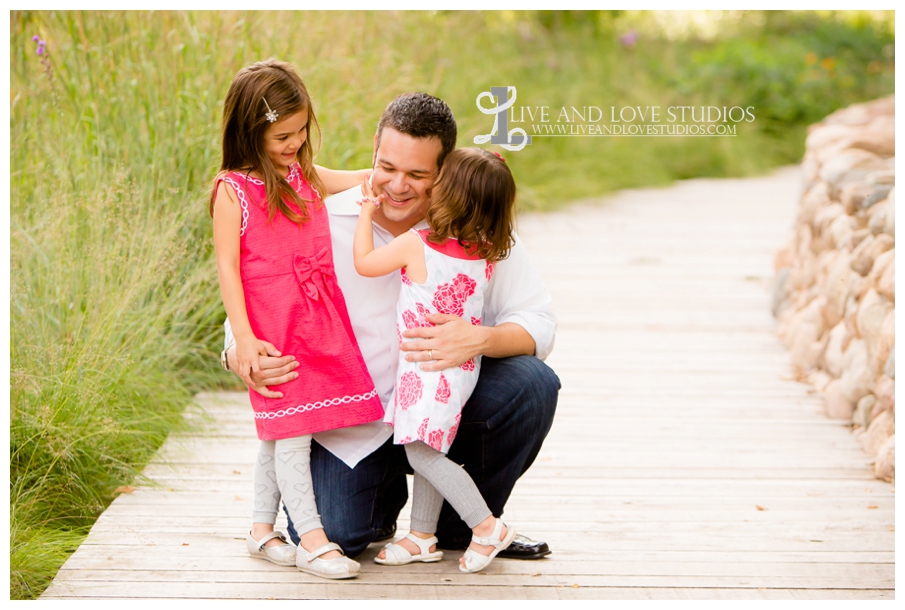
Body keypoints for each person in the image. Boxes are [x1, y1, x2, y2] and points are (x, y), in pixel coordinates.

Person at [223, 92, 559, 561]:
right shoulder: (320, 216)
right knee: (341, 533)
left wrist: (481, 338)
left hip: (438, 405)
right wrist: (239, 353)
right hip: (351, 423)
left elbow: (538, 323)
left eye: (418, 175)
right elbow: (259, 301)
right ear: (373, 151)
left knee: (533, 383)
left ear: (445, 174)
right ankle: (380, 511)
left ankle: (466, 525)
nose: (398, 186)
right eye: (387, 167)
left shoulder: (474, 231)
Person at [210, 59, 385, 579]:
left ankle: (262, 529)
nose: (294, 142)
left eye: (302, 129)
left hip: (314, 321)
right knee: (293, 431)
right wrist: (243, 338)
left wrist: (395, 179)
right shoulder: (233, 189)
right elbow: (226, 266)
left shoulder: (302, 175)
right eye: (282, 135)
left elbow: (355, 179)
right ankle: (311, 538)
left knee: (280, 430)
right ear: (250, 130)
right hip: (271, 328)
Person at [353, 147, 520, 572]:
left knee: (420, 452)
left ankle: (486, 526)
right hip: (459, 371)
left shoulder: (418, 244)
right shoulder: (485, 253)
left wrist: (365, 215)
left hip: (424, 369)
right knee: (432, 443)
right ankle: (422, 535)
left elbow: (365, 263)